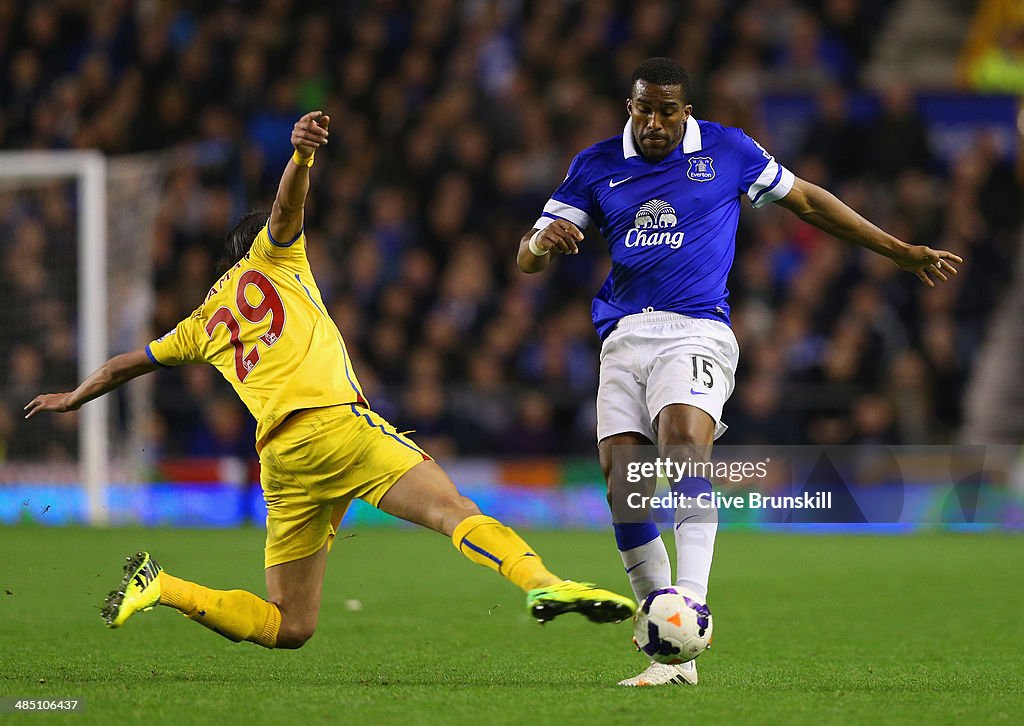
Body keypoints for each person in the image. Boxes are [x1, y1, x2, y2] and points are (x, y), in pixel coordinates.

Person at [25, 111, 635, 651]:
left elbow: (128, 363)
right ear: (254, 244)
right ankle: (544, 584)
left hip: (281, 461)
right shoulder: (273, 256)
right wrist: (301, 155)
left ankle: (163, 585)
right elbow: (288, 207)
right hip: (334, 424)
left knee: (290, 625)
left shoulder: (200, 321)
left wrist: (76, 395)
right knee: (454, 511)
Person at [516, 58, 962, 687]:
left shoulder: (726, 148)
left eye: (667, 110)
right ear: (630, 106)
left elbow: (805, 199)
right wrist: (542, 243)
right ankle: (665, 654)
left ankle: (690, 607)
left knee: (681, 447)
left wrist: (896, 249)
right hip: (622, 336)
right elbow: (526, 259)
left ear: (686, 111)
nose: (653, 122)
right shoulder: (594, 163)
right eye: (643, 108)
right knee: (623, 483)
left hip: (696, 329)